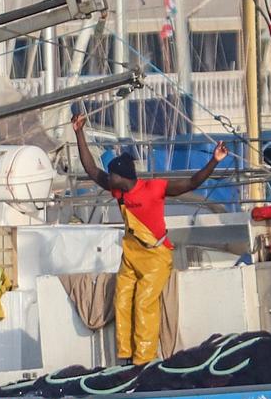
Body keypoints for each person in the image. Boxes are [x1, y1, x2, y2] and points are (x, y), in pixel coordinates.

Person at [72, 114, 228, 366]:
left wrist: (214, 160)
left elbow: (191, 183)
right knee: (122, 299)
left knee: (144, 302)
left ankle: (143, 362)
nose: (107, 178)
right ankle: (125, 356)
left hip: (156, 256)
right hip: (131, 255)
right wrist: (79, 133)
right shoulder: (118, 191)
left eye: (111, 175)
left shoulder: (153, 189)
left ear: (121, 176)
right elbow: (91, 169)